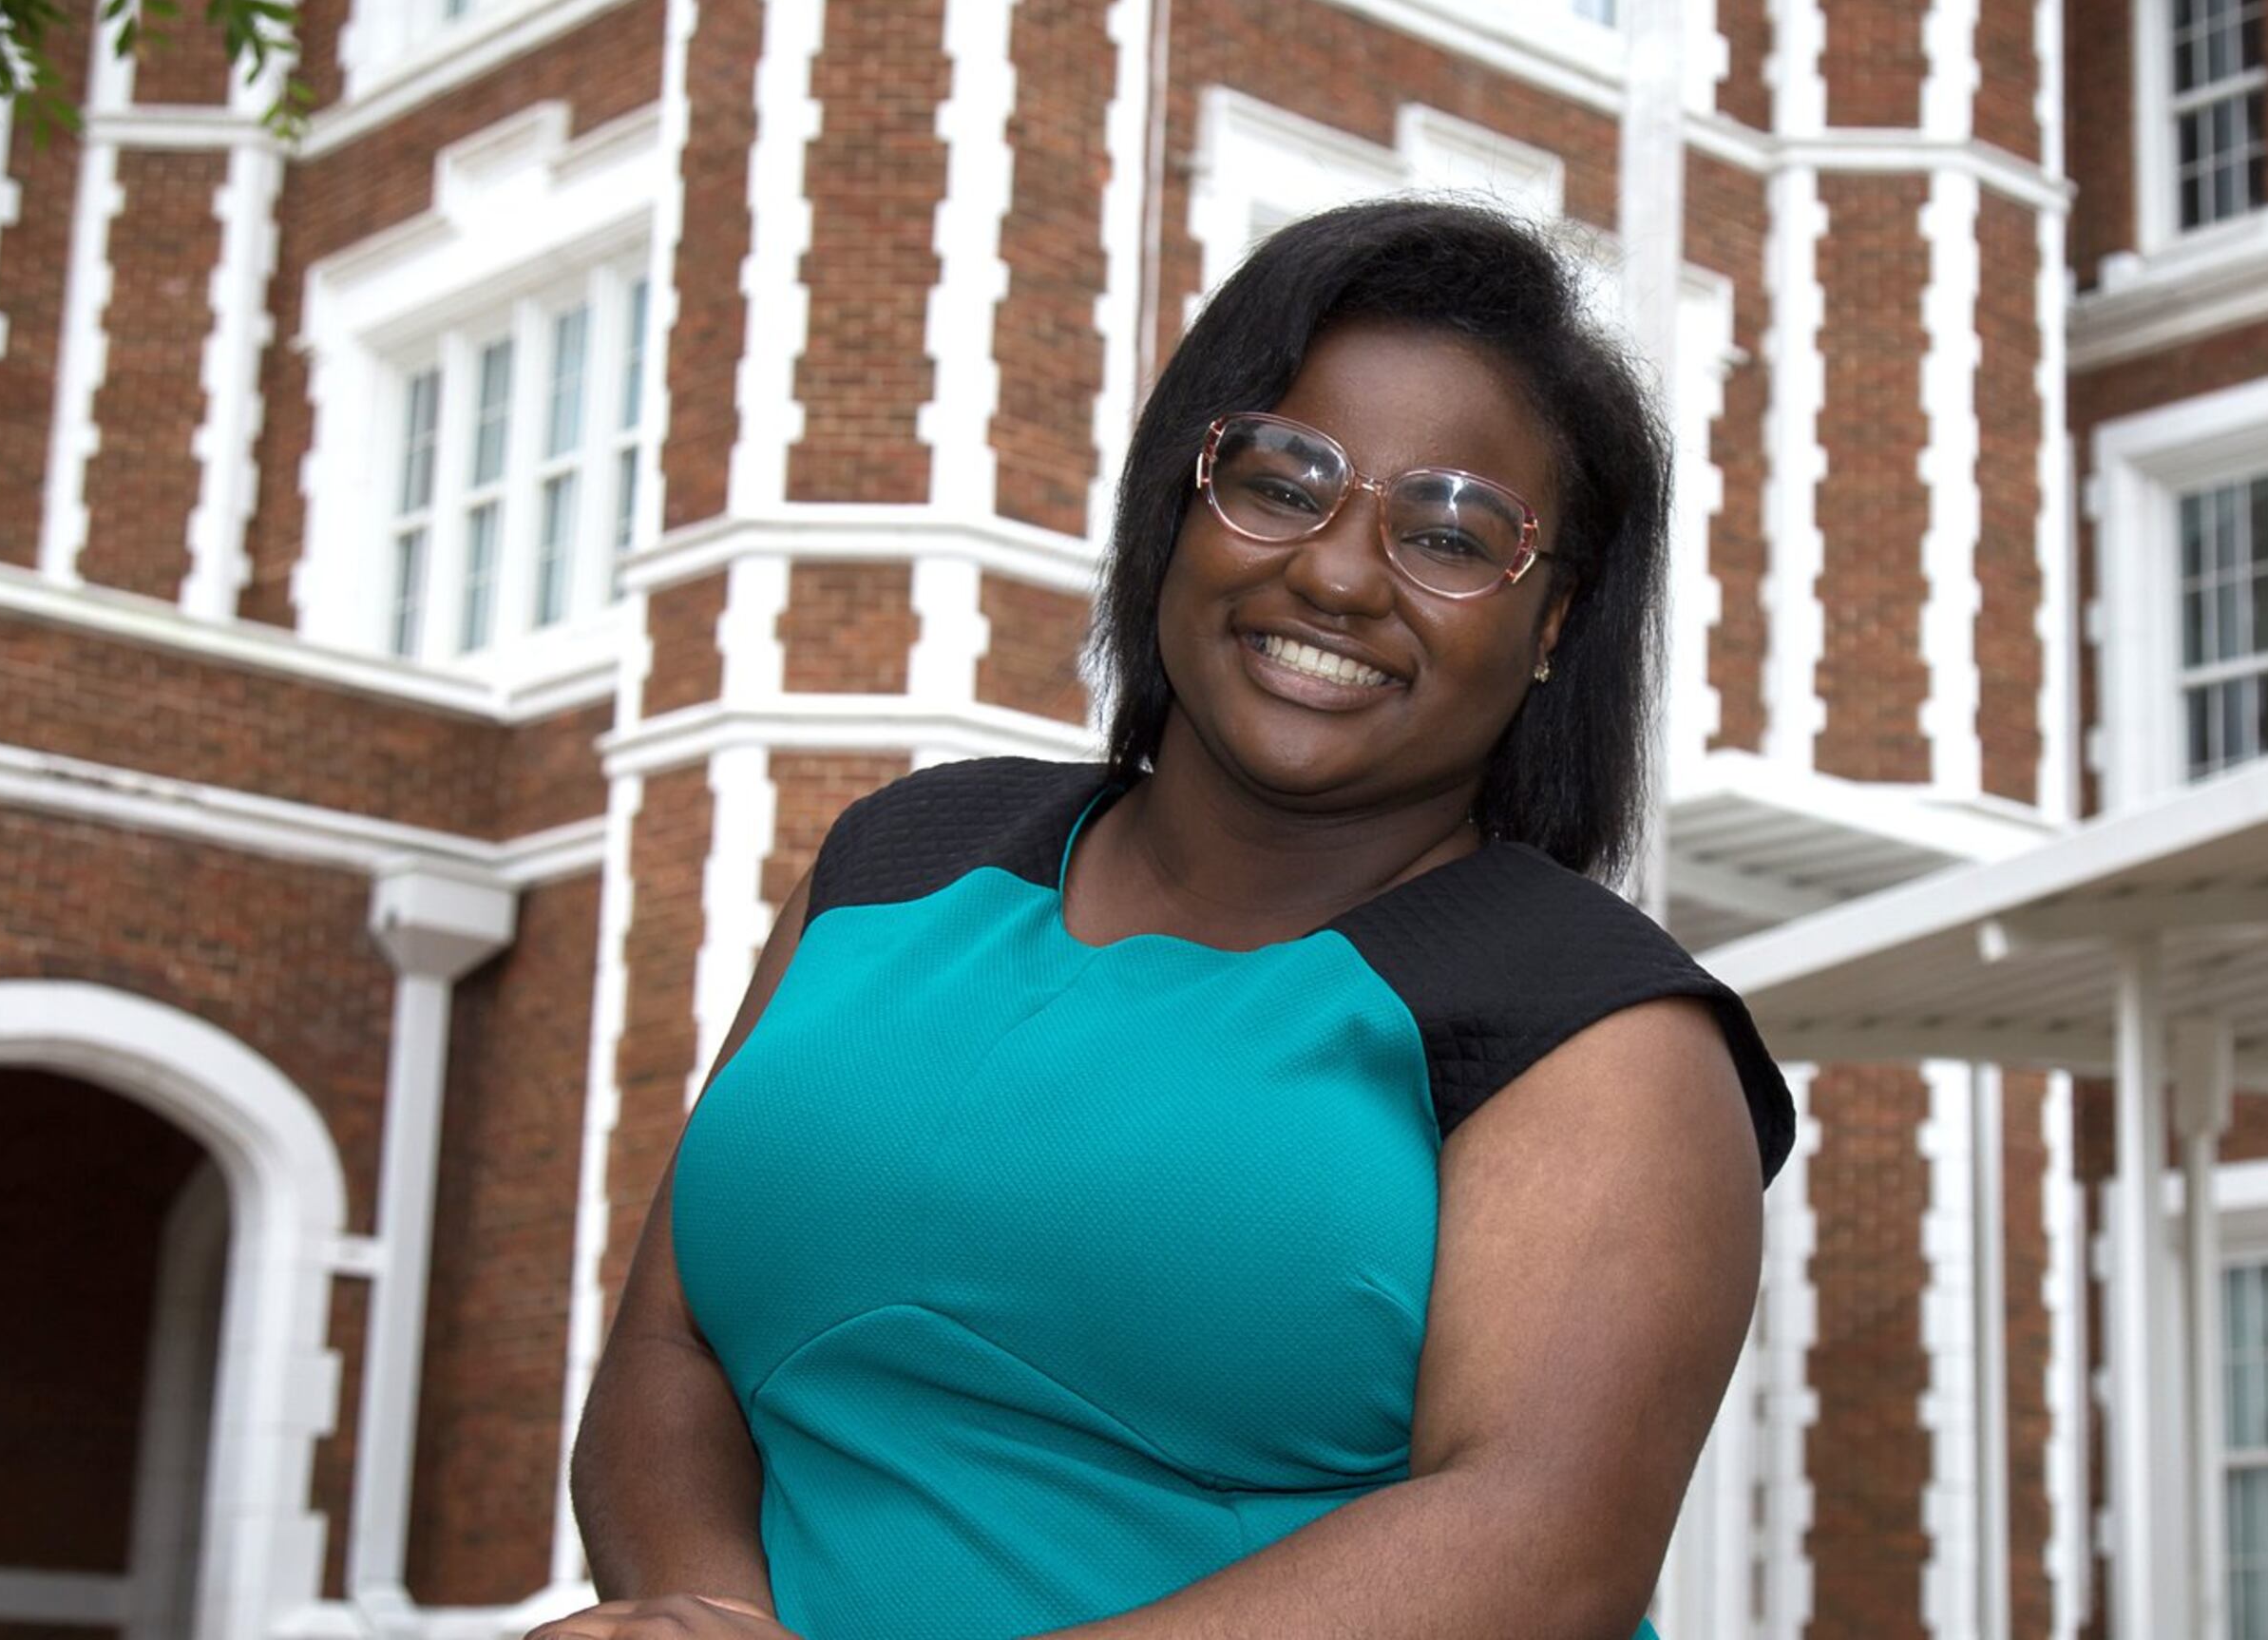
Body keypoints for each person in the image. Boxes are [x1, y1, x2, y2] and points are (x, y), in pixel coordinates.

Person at [544, 200, 1799, 1640]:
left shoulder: (1598, 1029)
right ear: (1180, 502)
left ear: (1555, 624)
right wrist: (702, 1613)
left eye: (1454, 532)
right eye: (1283, 480)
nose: (1335, 573)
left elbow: (1536, 1551)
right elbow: (671, 1347)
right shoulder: (896, 861)